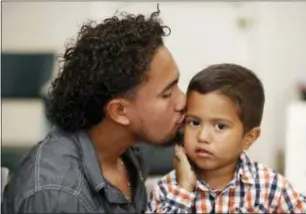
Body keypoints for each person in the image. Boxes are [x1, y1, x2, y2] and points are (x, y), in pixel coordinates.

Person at [1, 6, 186, 214]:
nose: (182, 101)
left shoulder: (124, 154)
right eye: (167, 94)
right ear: (119, 111)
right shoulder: (59, 197)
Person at [148, 63, 306, 213]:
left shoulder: (269, 187)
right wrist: (185, 190)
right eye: (194, 123)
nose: (203, 136)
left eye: (220, 126)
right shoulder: (168, 189)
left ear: (249, 138)